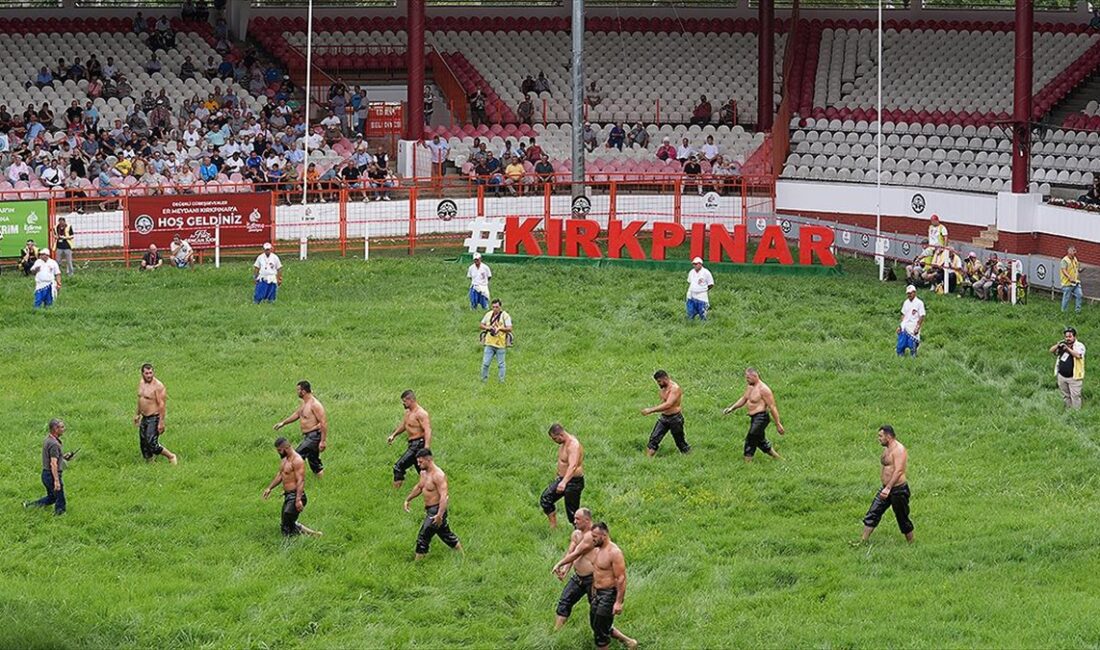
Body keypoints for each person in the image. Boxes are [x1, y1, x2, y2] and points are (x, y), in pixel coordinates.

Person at [403, 448, 462, 560]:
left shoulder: (438, 475)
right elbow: (420, 487)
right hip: (430, 510)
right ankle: (462, 557)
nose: (418, 464)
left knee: (423, 537)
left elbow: (444, 496)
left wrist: (440, 515)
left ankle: (417, 565)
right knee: (446, 535)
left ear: (428, 460)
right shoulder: (423, 472)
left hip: (437, 510)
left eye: (421, 462)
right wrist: (408, 499)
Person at [858, 425, 913, 544]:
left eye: (880, 436)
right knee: (873, 512)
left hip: (898, 490)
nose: (879, 438)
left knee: (902, 517)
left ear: (888, 436)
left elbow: (899, 470)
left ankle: (912, 544)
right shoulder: (887, 448)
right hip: (885, 489)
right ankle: (863, 542)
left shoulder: (899, 450)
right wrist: (885, 487)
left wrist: (888, 488)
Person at [262, 437, 322, 537]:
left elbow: (301, 480)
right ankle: (314, 534)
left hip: (296, 495)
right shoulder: (285, 459)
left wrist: (298, 500)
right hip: (288, 495)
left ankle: (289, 543)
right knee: (286, 523)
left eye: (280, 450)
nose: (279, 453)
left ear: (286, 447)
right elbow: (281, 475)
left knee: (286, 526)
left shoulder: (297, 461)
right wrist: (269, 488)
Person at [723, 367, 785, 461]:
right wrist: (732, 408)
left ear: (755, 376)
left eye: (748, 378)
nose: (746, 380)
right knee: (760, 440)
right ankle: (777, 458)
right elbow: (744, 399)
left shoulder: (764, 389)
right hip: (753, 418)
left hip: (761, 418)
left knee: (751, 437)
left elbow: (772, 407)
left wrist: (778, 424)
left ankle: (747, 461)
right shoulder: (750, 387)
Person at [273, 381, 329, 477]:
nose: (297, 392)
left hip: (314, 437)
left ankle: (289, 481)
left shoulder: (315, 404)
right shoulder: (305, 403)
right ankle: (321, 480)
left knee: (295, 456)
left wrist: (323, 441)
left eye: (298, 390)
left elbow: (323, 423)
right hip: (309, 436)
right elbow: (297, 414)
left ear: (303, 391)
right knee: (314, 462)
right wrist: (283, 423)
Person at [25, 419, 74, 516]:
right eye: (62, 427)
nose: (64, 429)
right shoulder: (54, 444)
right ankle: (60, 516)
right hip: (51, 475)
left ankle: (30, 506)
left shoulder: (48, 439)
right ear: (56, 429)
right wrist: (56, 481)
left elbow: (52, 457)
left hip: (46, 474)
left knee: (52, 497)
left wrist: (63, 457)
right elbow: (53, 464)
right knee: (60, 499)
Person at [540, 423, 585, 529]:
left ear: (561, 435)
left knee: (573, 514)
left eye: (555, 439)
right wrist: (559, 477)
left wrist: (564, 482)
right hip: (562, 479)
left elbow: (573, 466)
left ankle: (580, 535)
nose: (554, 441)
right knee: (546, 499)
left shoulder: (573, 445)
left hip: (573, 482)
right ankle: (553, 527)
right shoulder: (563, 443)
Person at [132, 363, 179, 464]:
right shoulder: (141, 383)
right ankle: (150, 463)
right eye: (146, 373)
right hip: (144, 417)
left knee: (152, 443)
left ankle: (171, 456)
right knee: (144, 443)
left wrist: (161, 422)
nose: (149, 375)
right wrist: (137, 414)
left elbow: (162, 405)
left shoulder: (158, 386)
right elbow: (140, 400)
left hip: (154, 417)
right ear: (142, 374)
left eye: (150, 373)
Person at [387, 389, 432, 488]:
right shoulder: (408, 412)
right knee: (423, 471)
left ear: (411, 400)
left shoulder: (421, 413)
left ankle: (395, 492)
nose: (403, 404)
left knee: (398, 467)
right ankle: (431, 489)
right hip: (412, 444)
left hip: (418, 445)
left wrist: (426, 448)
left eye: (404, 401)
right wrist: (393, 435)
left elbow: (428, 430)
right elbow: (404, 425)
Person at [642, 370, 690, 456]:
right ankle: (646, 460)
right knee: (653, 440)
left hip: (675, 419)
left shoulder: (675, 388)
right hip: (664, 418)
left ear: (665, 378)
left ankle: (689, 458)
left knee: (680, 443)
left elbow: (668, 404)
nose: (659, 384)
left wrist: (651, 410)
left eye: (659, 381)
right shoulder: (663, 388)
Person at [1050, 327, 1085, 409]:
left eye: (1070, 337)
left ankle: (1076, 413)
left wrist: (1068, 349)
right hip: (1062, 376)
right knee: (1065, 395)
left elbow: (1078, 355)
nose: (1067, 339)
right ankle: (1068, 410)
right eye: (1066, 337)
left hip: (1074, 377)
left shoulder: (1079, 346)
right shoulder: (1062, 345)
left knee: (1075, 396)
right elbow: (1051, 351)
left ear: (1074, 337)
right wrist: (1058, 345)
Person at [479, 298, 512, 382]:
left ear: (500, 307)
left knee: (501, 364)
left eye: (497, 307)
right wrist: (488, 327)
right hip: (489, 343)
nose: (495, 309)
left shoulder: (505, 316)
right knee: (485, 363)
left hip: (500, 343)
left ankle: (501, 381)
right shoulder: (488, 314)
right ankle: (483, 380)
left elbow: (509, 328)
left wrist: (500, 328)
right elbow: (481, 325)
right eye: (493, 307)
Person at [896, 285, 925, 357]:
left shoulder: (919, 303)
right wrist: (900, 325)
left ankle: (913, 357)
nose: (909, 295)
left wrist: (918, 327)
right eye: (908, 293)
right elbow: (903, 314)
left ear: (914, 293)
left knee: (912, 345)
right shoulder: (906, 302)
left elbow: (922, 316)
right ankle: (900, 357)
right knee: (900, 345)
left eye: (910, 293)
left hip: (913, 326)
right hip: (905, 326)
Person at [686, 256, 714, 321]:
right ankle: (691, 323)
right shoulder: (691, 272)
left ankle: (703, 324)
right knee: (690, 312)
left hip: (701, 295)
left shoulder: (706, 272)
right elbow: (690, 282)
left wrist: (704, 289)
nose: (694, 265)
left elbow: (711, 284)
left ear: (700, 264)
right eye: (693, 264)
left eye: (696, 264)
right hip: (692, 294)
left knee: (702, 312)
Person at [1060, 246, 1082, 314]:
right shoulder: (1064, 260)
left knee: (1079, 295)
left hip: (1076, 282)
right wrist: (1069, 277)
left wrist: (1079, 270)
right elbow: (1064, 270)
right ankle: (1064, 312)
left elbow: (1076, 267)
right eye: (1074, 251)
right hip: (1067, 283)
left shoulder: (1075, 259)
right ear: (1069, 252)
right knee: (1066, 298)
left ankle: (1077, 311)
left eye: (1075, 251)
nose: (1075, 252)